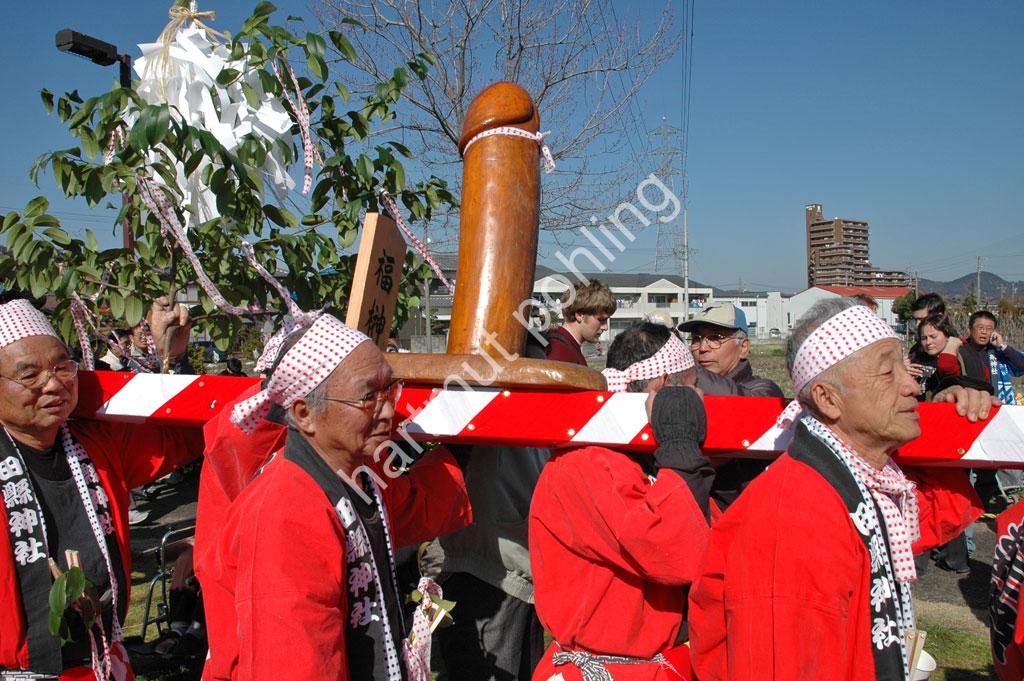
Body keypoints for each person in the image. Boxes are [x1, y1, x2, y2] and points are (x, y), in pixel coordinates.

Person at [689, 297, 993, 680]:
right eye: (888, 372)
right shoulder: (795, 518)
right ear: (828, 398)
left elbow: (933, 513)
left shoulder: (861, 482)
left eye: (905, 367)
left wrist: (954, 414)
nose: (912, 385)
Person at [203, 313, 472, 680]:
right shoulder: (286, 511)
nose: (388, 411)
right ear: (304, 413)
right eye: (368, 397)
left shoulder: (353, 477)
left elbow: (414, 505)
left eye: (389, 389)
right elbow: (296, 667)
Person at [0, 298, 202, 680]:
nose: (53, 384)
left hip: (104, 663)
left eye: (62, 366)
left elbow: (183, 435)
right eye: (29, 375)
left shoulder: (96, 444)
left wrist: (170, 356)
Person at [529, 321, 712, 681]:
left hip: (648, 665)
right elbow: (671, 551)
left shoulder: (632, 459)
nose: (702, 397)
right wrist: (682, 448)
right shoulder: (589, 464)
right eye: (693, 388)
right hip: (609, 670)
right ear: (664, 389)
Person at [679, 304, 784, 509]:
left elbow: (741, 404)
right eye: (697, 338)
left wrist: (682, 369)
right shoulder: (686, 392)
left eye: (715, 338)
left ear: (743, 347)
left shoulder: (763, 390)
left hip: (746, 516)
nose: (703, 348)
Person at [525, 280, 616, 365]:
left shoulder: (564, 346)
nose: (605, 327)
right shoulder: (560, 353)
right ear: (579, 315)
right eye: (601, 320)